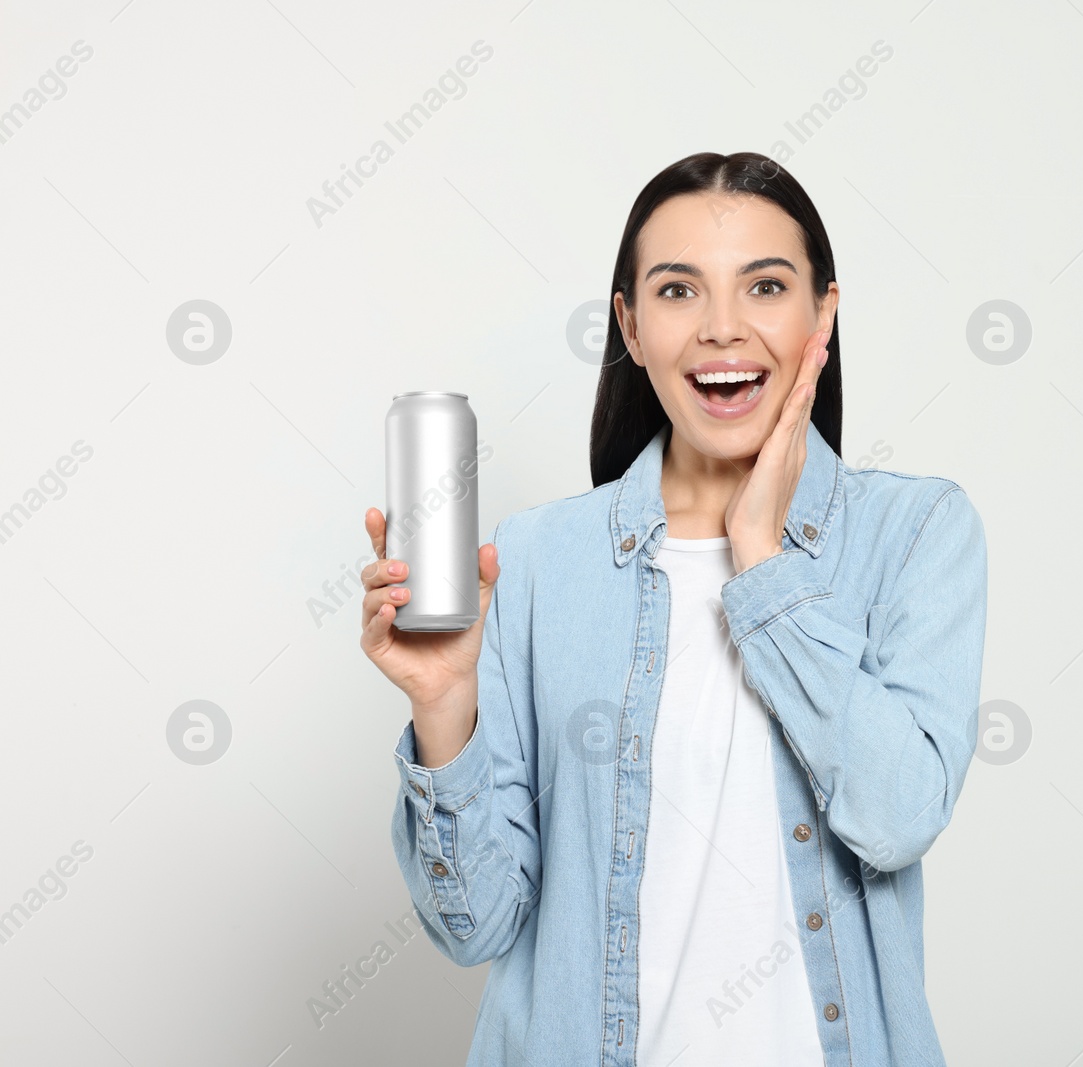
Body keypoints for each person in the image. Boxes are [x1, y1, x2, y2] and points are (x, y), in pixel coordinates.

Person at [358, 151, 988, 1066]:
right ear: (631, 324)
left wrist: (762, 560)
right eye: (679, 291)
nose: (722, 329)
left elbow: (894, 817)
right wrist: (444, 709)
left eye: (766, 286)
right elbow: (476, 926)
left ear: (824, 313)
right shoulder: (537, 557)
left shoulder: (915, 534)